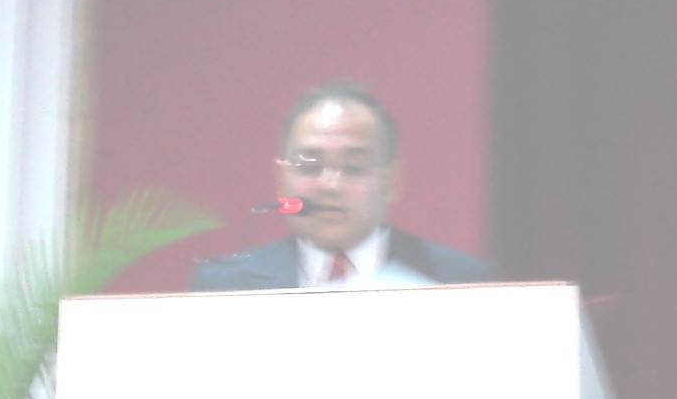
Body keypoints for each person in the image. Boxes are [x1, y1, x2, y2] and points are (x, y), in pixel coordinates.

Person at [190, 84, 496, 291]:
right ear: (282, 179)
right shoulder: (225, 286)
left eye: (353, 168)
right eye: (311, 166)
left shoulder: (460, 283)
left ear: (392, 181)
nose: (330, 185)